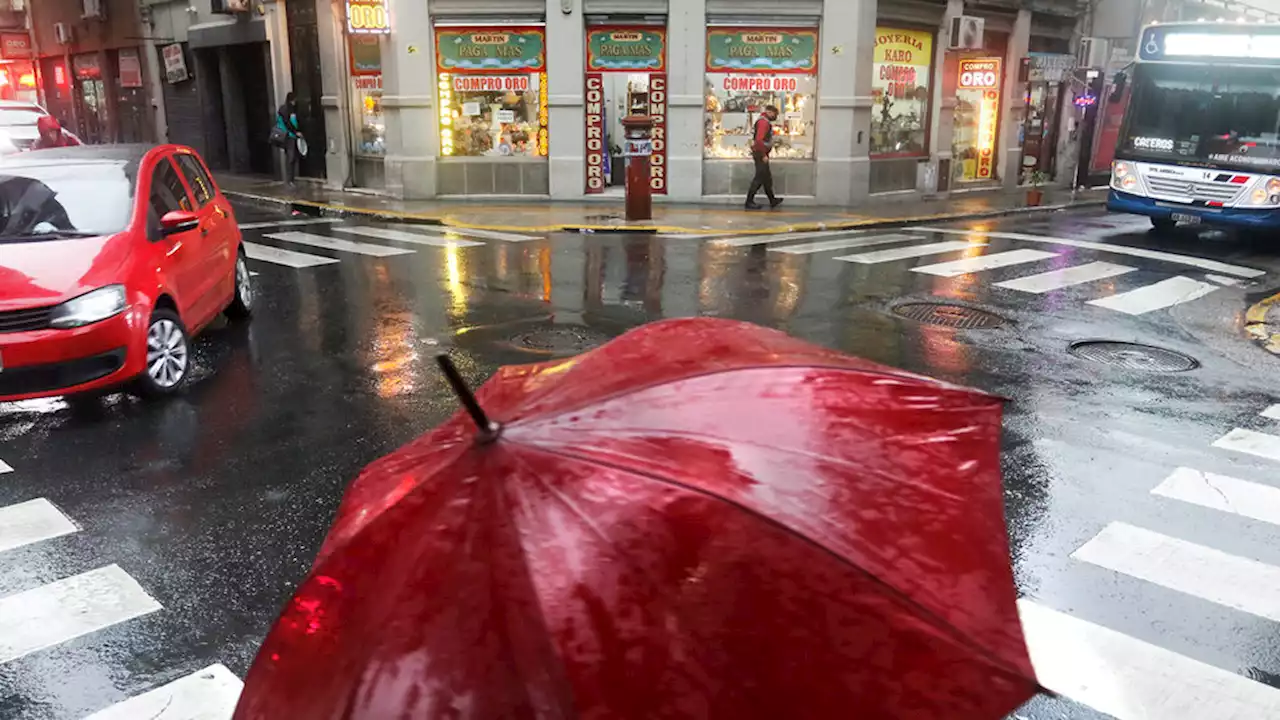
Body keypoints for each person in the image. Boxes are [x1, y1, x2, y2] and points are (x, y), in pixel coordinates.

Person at [746, 105, 783, 210]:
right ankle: (749, 202)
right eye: (775, 114)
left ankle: (772, 200)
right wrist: (763, 155)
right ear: (769, 112)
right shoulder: (763, 123)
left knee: (767, 178)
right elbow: (759, 140)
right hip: (760, 154)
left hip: (760, 153)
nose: (775, 116)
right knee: (759, 178)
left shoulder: (763, 121)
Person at [275, 92, 303, 186]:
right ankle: (289, 180)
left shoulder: (292, 109)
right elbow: (287, 123)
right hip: (288, 136)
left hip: (293, 136)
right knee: (291, 157)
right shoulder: (285, 109)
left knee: (293, 157)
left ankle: (291, 179)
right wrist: (296, 132)